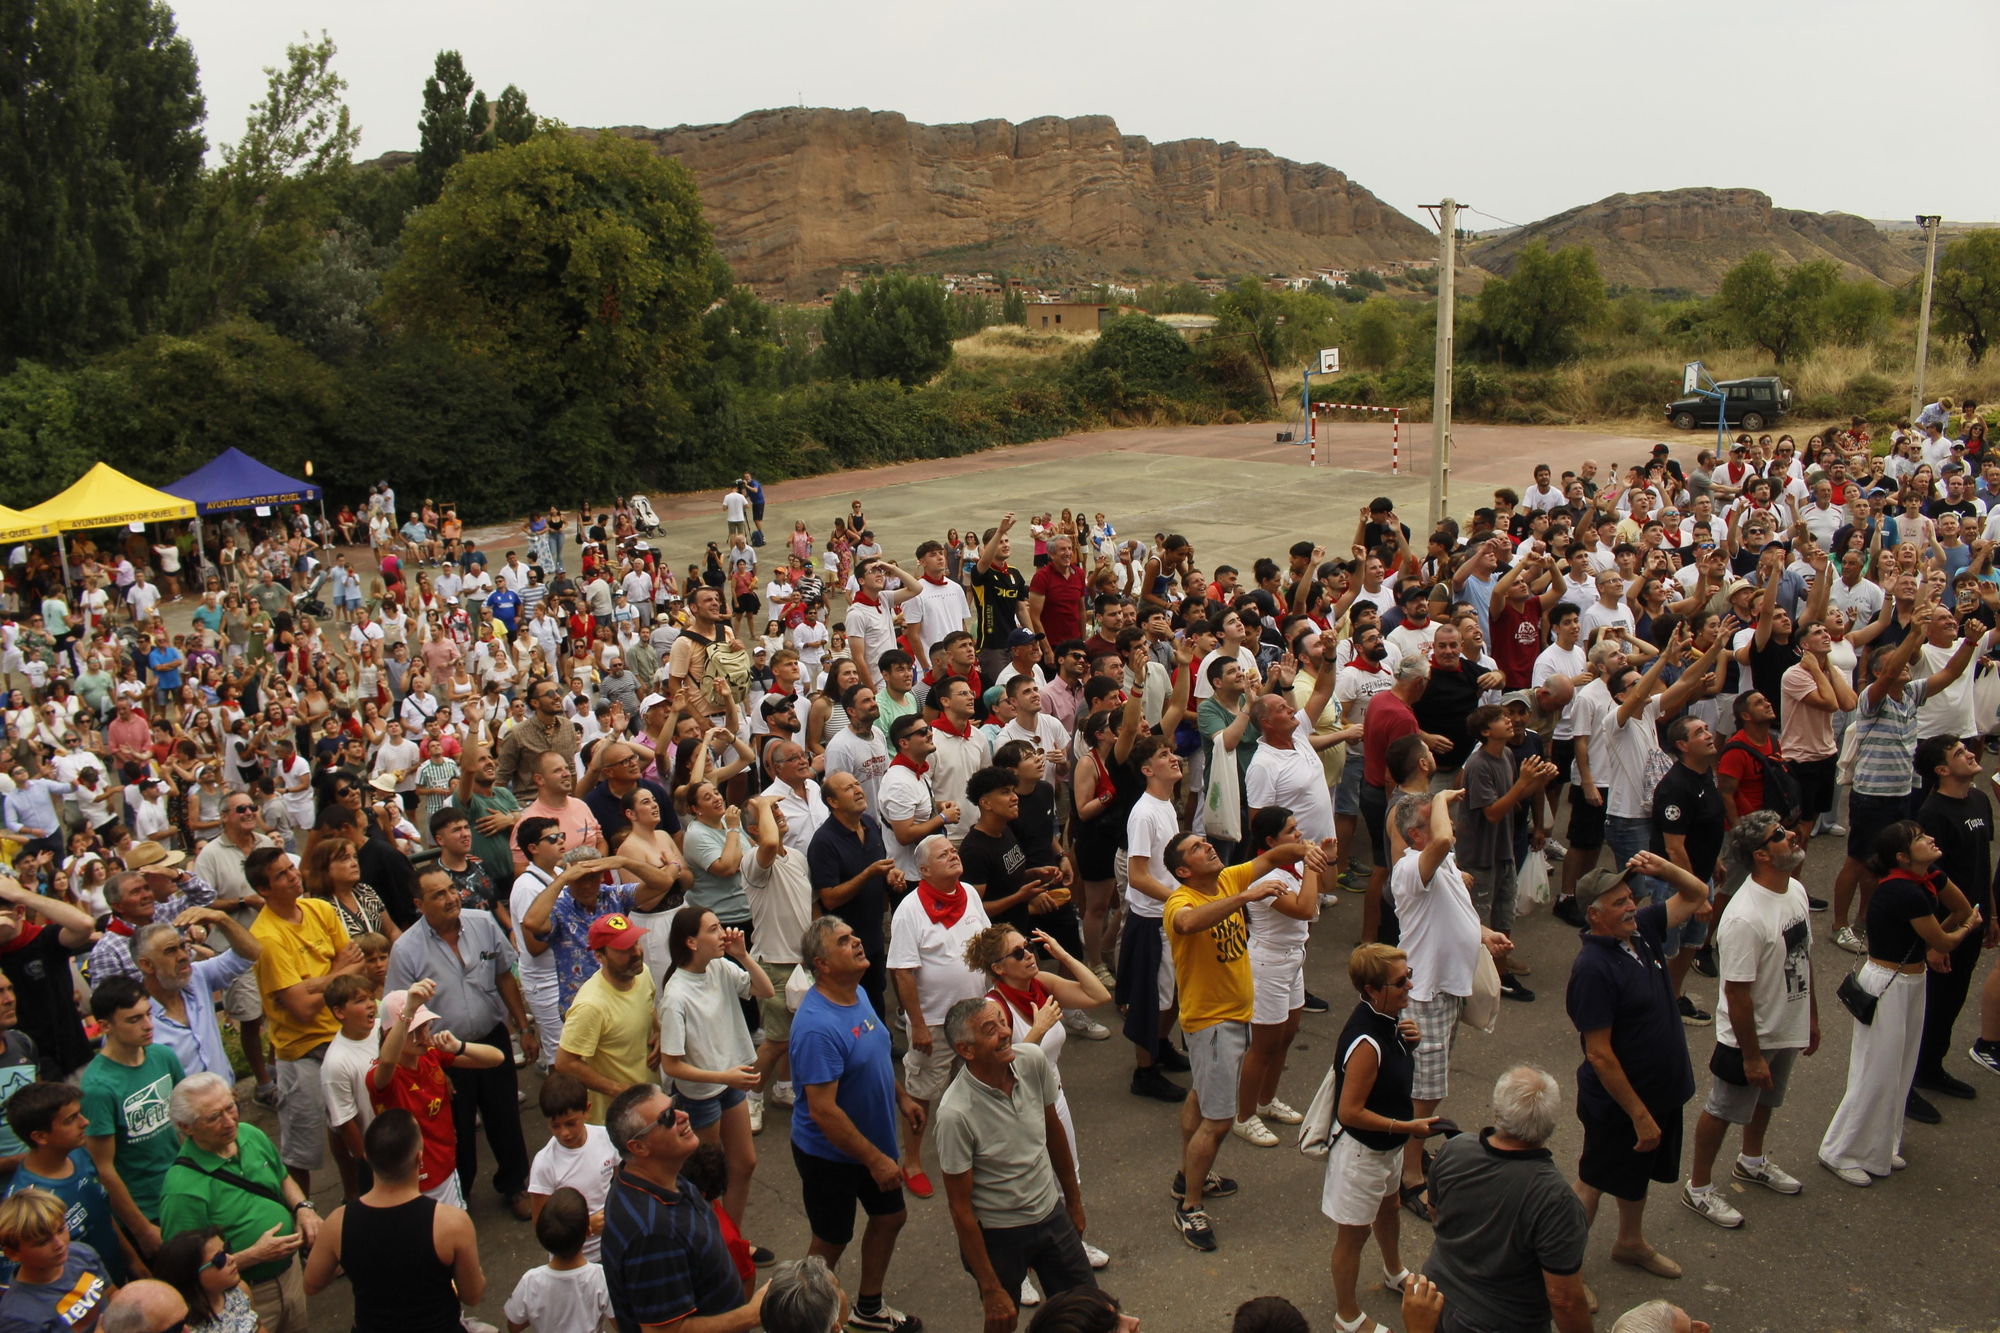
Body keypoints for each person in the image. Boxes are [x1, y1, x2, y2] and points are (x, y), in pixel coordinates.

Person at [1159, 827, 1309, 1251]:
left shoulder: (1225, 877)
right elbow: (1187, 924)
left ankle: (1189, 1176)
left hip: (1233, 1017)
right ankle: (1190, 1207)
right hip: (1211, 1024)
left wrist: (1307, 849)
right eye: (1196, 849)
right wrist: (1246, 898)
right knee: (1220, 1120)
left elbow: (1272, 856)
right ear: (1184, 871)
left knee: (1199, 1098)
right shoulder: (1181, 901)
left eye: (1204, 842)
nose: (1208, 846)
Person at [1565, 850, 1712, 1283]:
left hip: (1659, 1092)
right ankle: (1564, 1274)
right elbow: (1600, 1054)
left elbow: (1698, 893)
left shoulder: (1642, 930)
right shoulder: (1592, 968)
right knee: (1592, 1182)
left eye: (1631, 896)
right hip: (1620, 1105)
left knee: (1638, 1173)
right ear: (1594, 916)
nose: (1632, 906)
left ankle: (1629, 1243)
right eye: (1618, 902)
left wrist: (1663, 868)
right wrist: (1638, 1114)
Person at [1818, 820, 1983, 1185]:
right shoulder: (1903, 892)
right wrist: (1966, 928)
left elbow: (1959, 907)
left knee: (1901, 1069)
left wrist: (1950, 928)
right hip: (1886, 985)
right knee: (1876, 1071)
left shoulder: (1929, 877)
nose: (1931, 838)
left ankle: (1879, 1146)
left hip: (1911, 980)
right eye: (1921, 839)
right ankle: (1838, 1150)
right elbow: (1948, 937)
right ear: (1902, 857)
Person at [1680, 811, 1817, 1230]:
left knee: (1768, 1100)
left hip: (1786, 1025)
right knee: (1722, 1109)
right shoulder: (1743, 918)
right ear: (1761, 855)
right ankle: (1698, 1187)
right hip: (1748, 1039)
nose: (1793, 836)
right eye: (1781, 835)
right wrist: (1752, 1056)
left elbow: (1805, 957)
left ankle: (1751, 1161)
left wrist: (1810, 1017)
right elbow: (1736, 994)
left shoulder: (1794, 890)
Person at [789, 916, 926, 1333]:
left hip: (874, 1143)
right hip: (832, 1154)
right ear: (823, 964)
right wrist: (875, 1161)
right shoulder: (816, 1026)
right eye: (844, 941)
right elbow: (824, 1111)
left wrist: (902, 1098)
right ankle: (803, 1319)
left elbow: (875, 1051)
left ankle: (868, 1309)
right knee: (830, 1240)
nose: (857, 942)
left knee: (890, 1217)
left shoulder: (860, 994)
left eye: (854, 934)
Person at [934, 997, 1092, 1333]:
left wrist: (1074, 1203)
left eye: (1004, 1022)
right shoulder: (954, 1114)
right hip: (998, 1236)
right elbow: (960, 1209)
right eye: (991, 1030)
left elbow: (1055, 1134)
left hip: (1051, 1215)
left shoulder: (1032, 1061)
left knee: (1089, 1311)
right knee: (1002, 1320)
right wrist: (990, 1287)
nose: (1006, 1032)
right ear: (966, 1049)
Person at [384, 866, 536, 1216]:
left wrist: (524, 1028)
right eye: (438, 894)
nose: (451, 898)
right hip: (442, 1053)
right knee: (458, 1130)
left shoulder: (482, 924)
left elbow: (503, 976)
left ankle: (515, 1185)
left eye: (451, 889)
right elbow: (399, 1014)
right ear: (419, 904)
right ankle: (458, 1198)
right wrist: (429, 1065)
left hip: (491, 1039)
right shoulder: (406, 950)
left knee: (506, 1118)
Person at [965, 924, 1112, 1282]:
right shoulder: (992, 1008)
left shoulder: (1040, 984)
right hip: (1012, 1111)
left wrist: (1061, 953)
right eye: (1018, 952)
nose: (1029, 954)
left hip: (1052, 1099)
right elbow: (1004, 1067)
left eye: (1028, 946)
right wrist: (1040, 1028)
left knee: (1066, 1177)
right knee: (1019, 1192)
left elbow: (1099, 996)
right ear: (999, 968)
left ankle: (1070, 1245)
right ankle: (1017, 1272)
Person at [1388, 791, 1511, 1208]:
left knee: (1430, 1087)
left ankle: (1413, 1153)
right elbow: (1442, 840)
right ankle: (1409, 1175)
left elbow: (1458, 909)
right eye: (1438, 818)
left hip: (1445, 991)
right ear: (1416, 834)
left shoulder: (1444, 865)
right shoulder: (1408, 867)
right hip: (1426, 994)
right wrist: (1439, 795)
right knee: (1423, 1092)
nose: (1450, 825)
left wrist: (1484, 934)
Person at [1422, 1066, 1592, 1333]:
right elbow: (1564, 1298)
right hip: (1499, 1322)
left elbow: (1434, 1211)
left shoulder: (1454, 1150)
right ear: (1550, 1127)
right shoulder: (1556, 1201)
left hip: (1430, 1300)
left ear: (1497, 1114)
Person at [1322, 945, 1434, 1333]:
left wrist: (1411, 1044)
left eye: (1409, 974)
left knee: (1388, 1210)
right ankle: (1347, 1316)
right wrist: (1409, 1128)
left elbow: (1391, 1075)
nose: (1409, 985)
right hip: (1362, 1154)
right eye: (1400, 981)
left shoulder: (1390, 1021)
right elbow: (1349, 1112)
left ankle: (1393, 1271)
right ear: (1372, 990)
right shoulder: (1367, 1042)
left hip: (1387, 1149)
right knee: (1352, 1237)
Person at [158, 1073, 320, 1333]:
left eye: (230, 1107)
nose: (229, 1122)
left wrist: (303, 1209)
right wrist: (254, 1255)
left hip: (290, 1275)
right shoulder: (181, 1191)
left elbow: (282, 1177)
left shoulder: (250, 1134)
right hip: (243, 1295)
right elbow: (184, 1273)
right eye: (214, 1117)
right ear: (186, 1127)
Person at [656, 906, 774, 1258]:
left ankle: (731, 1241)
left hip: (728, 1085)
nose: (723, 933)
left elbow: (764, 990)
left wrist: (743, 955)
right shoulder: (676, 995)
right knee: (705, 1179)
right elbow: (671, 1066)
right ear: (691, 942)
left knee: (744, 1164)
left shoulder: (720, 966)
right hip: (700, 1096)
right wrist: (724, 1075)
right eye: (713, 929)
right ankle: (706, 1246)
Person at [302, 1109, 485, 1333]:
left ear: (368, 1158)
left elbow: (311, 1284)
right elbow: (473, 1295)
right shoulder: (451, 1223)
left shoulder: (338, 1223)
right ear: (420, 1157)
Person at [599, 1083, 763, 1333]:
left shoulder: (664, 1176)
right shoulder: (652, 1234)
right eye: (667, 1118)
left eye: (675, 1104)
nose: (683, 1115)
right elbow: (665, 1331)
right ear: (638, 1147)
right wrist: (750, 1315)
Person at [246, 845, 361, 1191]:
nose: (294, 875)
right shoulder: (266, 938)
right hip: (302, 1052)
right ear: (263, 890)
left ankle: (354, 1196)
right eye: (281, 875)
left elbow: (359, 968)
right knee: (301, 1148)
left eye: (291, 868)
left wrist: (313, 984)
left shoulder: (319, 908)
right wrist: (335, 972)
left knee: (349, 1125)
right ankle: (303, 1219)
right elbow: (301, 1010)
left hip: (342, 1037)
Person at [887, 836, 994, 1198]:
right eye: (943, 854)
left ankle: (976, 1153)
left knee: (980, 1086)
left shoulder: (970, 894)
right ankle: (912, 1162)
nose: (953, 854)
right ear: (924, 870)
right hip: (932, 1021)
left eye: (954, 851)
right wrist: (917, 1024)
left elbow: (988, 947)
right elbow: (903, 972)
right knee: (922, 1093)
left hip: (977, 1014)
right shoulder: (909, 911)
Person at [1231, 808, 1328, 1148]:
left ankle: (1266, 1101)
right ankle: (1243, 1117)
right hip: (1267, 964)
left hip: (1292, 959)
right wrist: (1314, 865)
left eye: (1298, 827)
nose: (1299, 835)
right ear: (1271, 842)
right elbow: (1303, 909)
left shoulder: (1295, 865)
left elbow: (1316, 898)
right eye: (1291, 831)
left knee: (1286, 1036)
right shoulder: (1263, 877)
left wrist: (1320, 860)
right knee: (1263, 1045)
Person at [1910, 736, 1992, 1108]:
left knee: (1953, 1001)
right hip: (1944, 930)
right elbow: (1928, 883)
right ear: (1941, 770)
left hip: (1975, 921)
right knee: (1929, 1005)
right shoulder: (1932, 815)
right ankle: (1909, 1081)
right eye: (1959, 753)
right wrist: (1936, 941)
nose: (1971, 754)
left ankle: (1931, 1067)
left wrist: (1990, 914)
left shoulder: (1980, 800)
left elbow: (1982, 861)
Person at [79, 978, 185, 1259]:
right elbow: (104, 1169)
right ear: (105, 1026)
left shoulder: (163, 1057)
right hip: (146, 1208)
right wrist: (141, 1229)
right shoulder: (97, 1088)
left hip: (184, 1191)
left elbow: (185, 1124)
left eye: (149, 1014)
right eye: (134, 1019)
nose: (149, 1025)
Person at [2, 1082, 130, 1285]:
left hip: (116, 1277)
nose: (85, 1122)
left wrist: (134, 1262)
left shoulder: (79, 1153)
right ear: (40, 1136)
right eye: (71, 1120)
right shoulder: (27, 1204)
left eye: (80, 1113)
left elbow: (101, 1213)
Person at [552, 914, 659, 1125]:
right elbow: (565, 1063)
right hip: (617, 1119)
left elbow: (648, 1009)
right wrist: (622, 1091)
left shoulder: (641, 973)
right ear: (600, 957)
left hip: (652, 1103)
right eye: (624, 948)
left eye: (636, 942)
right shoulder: (591, 1006)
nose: (636, 952)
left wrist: (660, 1032)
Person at [132, 908, 262, 1083]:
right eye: (170, 951)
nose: (183, 956)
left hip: (226, 1102)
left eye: (182, 947)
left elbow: (251, 952)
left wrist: (221, 918)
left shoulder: (197, 976)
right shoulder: (134, 1019)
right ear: (147, 965)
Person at [526, 1073, 620, 1263]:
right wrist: (588, 1227)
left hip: (614, 1247)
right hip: (573, 1260)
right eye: (555, 1126)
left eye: (571, 1123)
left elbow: (621, 1186)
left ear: (587, 1110)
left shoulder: (607, 1138)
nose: (564, 1133)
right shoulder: (544, 1164)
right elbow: (541, 1226)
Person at [0, 1188, 113, 1333]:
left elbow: (112, 1296)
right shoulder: (17, 1317)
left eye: (61, 1230)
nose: (59, 1244)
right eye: (42, 1242)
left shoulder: (82, 1253)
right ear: (13, 1253)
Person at [504, 1186, 613, 1333]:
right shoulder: (600, 1277)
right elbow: (621, 1324)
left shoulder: (530, 1281)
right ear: (588, 1231)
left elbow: (514, 1326)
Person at [149, 1226, 260, 1333]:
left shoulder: (239, 1290)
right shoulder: (184, 1327)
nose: (231, 1258)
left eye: (227, 1249)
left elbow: (258, 1328)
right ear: (191, 1276)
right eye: (219, 1258)